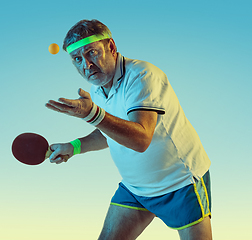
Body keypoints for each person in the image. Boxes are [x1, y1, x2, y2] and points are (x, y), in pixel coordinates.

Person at [45, 19, 212, 240]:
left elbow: (140, 138)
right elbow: (109, 133)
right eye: (77, 59)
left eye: (91, 53)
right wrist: (74, 146)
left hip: (180, 184)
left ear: (111, 47)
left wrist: (92, 114)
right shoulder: (97, 90)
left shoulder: (142, 75)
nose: (86, 65)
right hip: (136, 189)